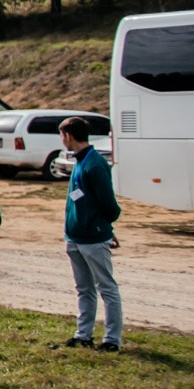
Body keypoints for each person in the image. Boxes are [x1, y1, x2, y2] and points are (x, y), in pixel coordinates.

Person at [61, 118, 122, 352]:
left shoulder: (94, 165)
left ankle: (111, 339)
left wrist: (106, 228)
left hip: (92, 237)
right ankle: (83, 334)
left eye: (62, 135)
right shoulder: (80, 161)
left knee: (106, 288)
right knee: (84, 288)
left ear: (68, 135)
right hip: (75, 237)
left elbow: (108, 204)